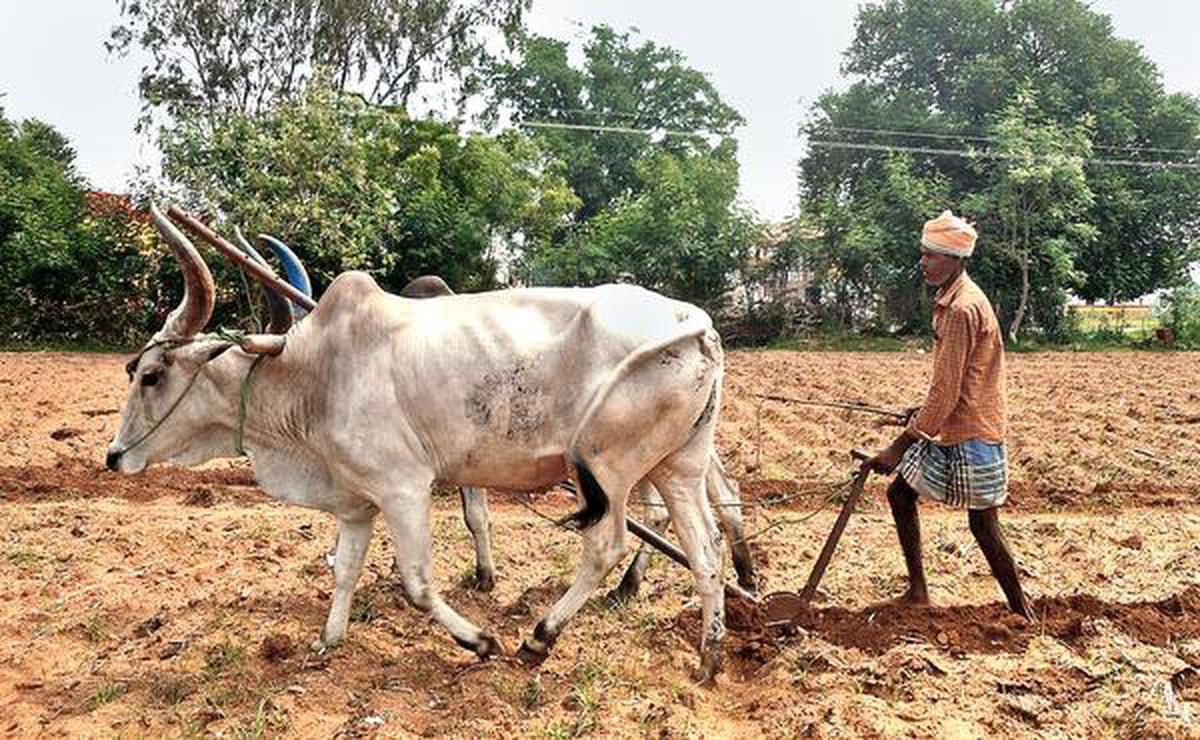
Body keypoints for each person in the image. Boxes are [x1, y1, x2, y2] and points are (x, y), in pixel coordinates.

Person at [866, 210, 1032, 619]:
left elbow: (946, 393)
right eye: (923, 254)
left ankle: (1023, 611)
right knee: (900, 494)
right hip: (955, 422)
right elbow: (948, 385)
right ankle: (918, 591)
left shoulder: (961, 308)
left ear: (956, 259)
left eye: (932, 255)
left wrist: (897, 447)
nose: (923, 262)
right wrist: (919, 414)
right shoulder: (953, 299)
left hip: (972, 429)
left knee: (984, 526)